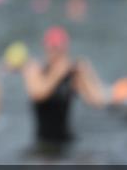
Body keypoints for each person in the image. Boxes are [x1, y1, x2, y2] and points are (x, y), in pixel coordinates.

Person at [20, 26, 107, 157]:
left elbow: (98, 102)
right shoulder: (35, 69)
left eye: (59, 49)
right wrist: (58, 72)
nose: (55, 53)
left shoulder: (71, 76)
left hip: (67, 143)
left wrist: (88, 73)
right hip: (43, 143)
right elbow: (37, 94)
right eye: (52, 48)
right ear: (46, 48)